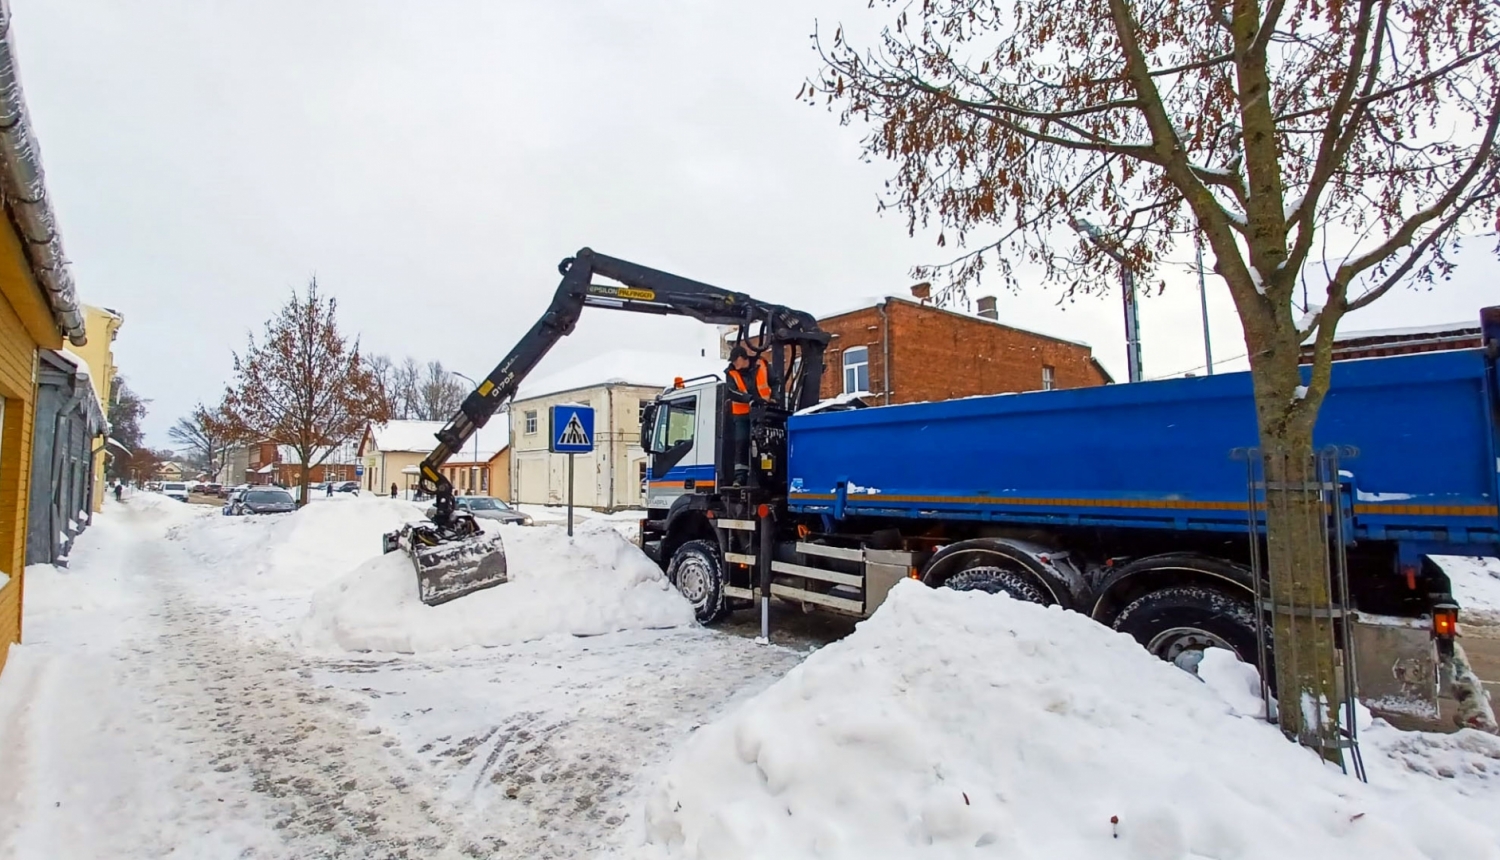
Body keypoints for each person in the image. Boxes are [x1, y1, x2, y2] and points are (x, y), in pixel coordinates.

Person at [725, 344, 771, 486]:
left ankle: (761, 475)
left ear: (742, 358)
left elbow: (775, 382)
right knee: (742, 443)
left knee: (762, 444)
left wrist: (775, 397)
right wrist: (750, 399)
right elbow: (732, 392)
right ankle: (741, 477)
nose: (733, 363)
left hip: (762, 413)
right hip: (742, 415)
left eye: (735, 360)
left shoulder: (761, 364)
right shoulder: (731, 373)